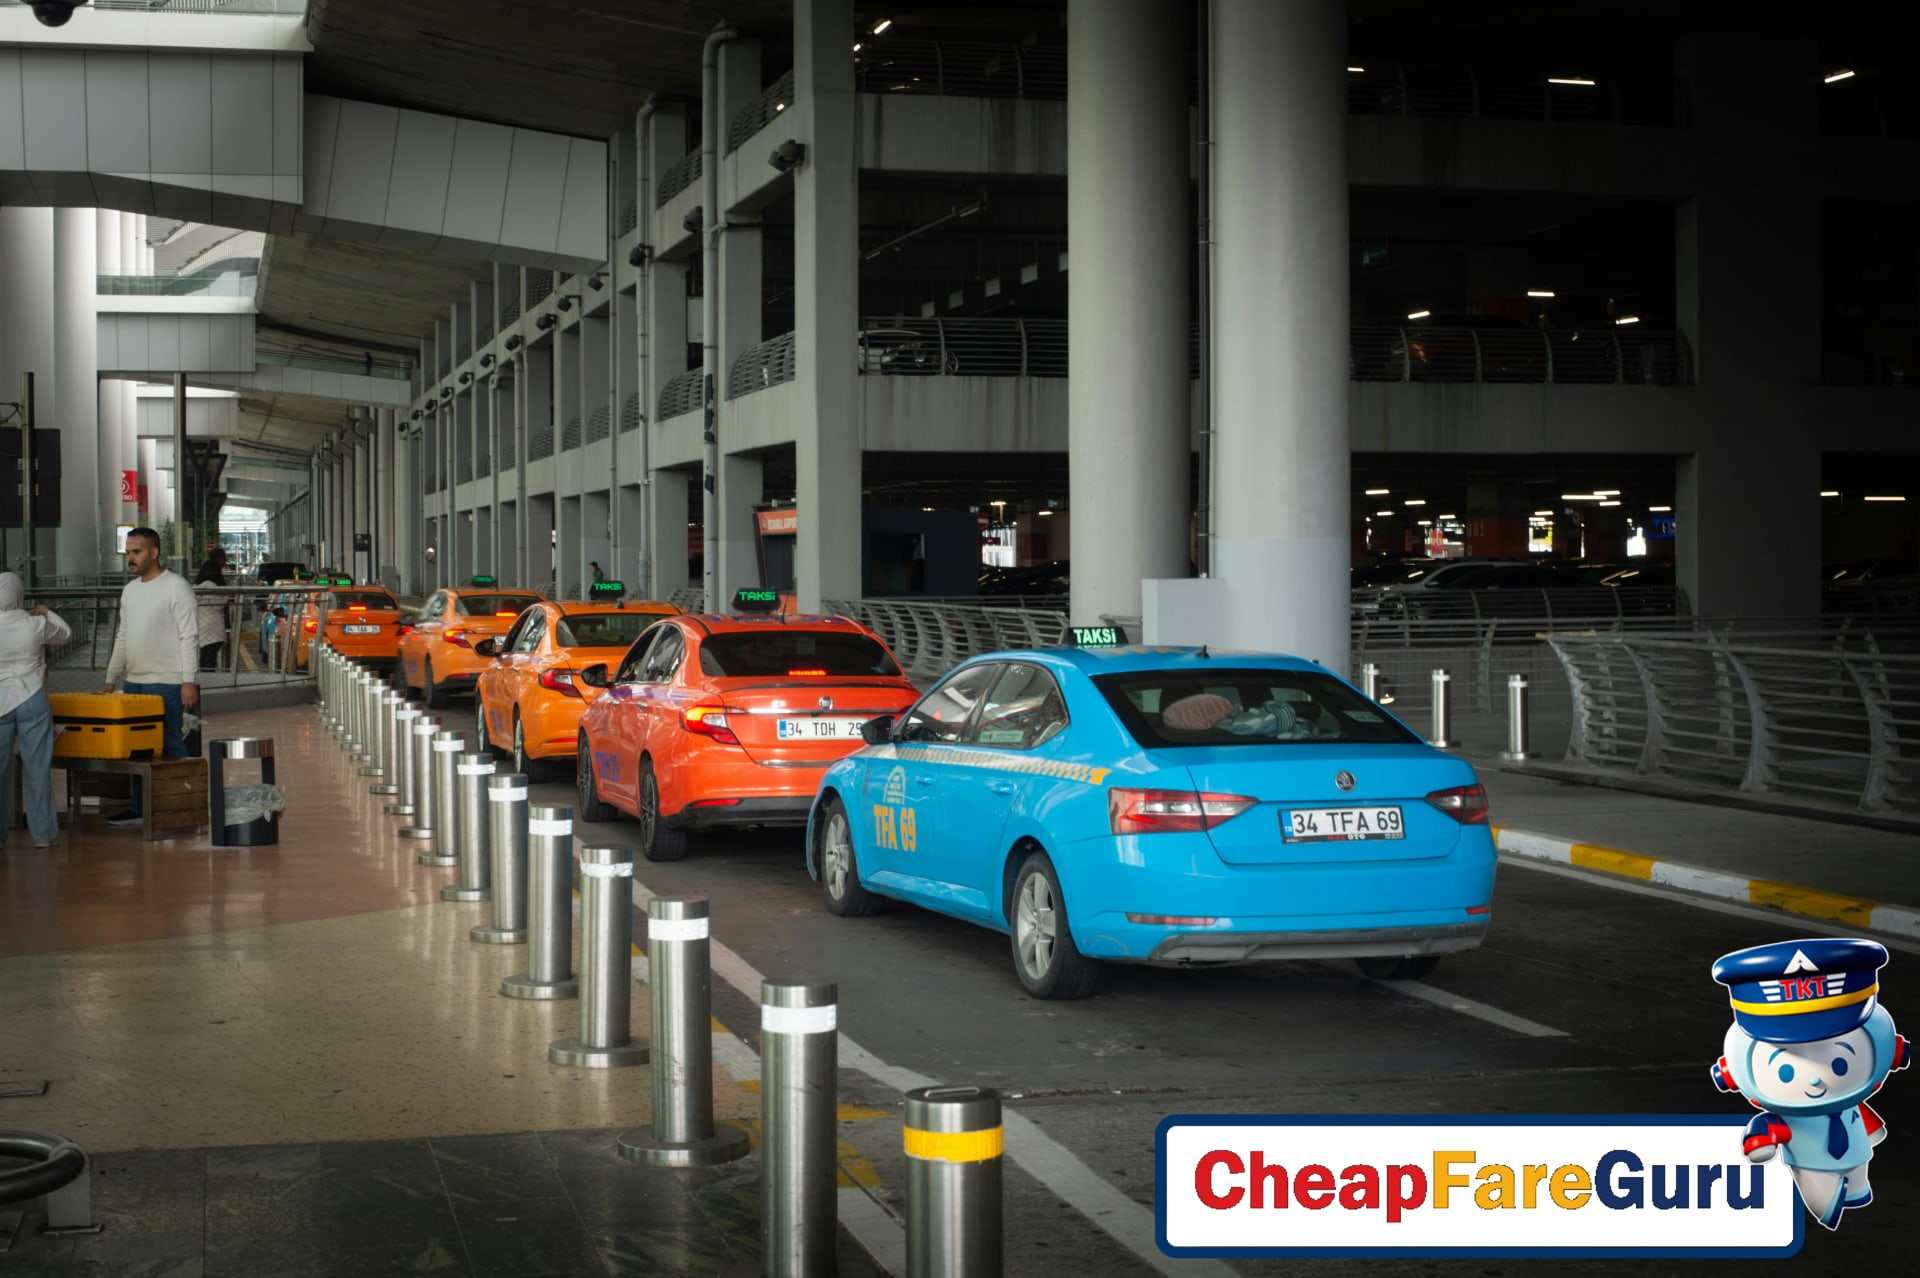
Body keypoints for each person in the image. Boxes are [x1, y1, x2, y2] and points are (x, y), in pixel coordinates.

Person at [102, 528, 199, 828]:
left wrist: (188, 680)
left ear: (154, 552)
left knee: (171, 746)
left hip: (168, 681)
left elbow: (189, 636)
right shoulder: (130, 591)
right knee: (137, 748)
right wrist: (110, 678)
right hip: (134, 682)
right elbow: (123, 635)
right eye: (128, 552)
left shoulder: (176, 587)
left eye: (137, 551)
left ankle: (184, 808)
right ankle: (139, 807)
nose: (130, 558)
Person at [0, 573, 72, 847]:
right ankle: (43, 835)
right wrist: (47, 612)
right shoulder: (35, 624)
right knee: (37, 768)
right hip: (32, 698)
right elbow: (65, 634)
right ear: (20, 595)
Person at [194, 553, 228, 672]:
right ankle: (208, 682)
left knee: (205, 658)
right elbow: (218, 604)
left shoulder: (197, 585)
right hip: (212, 628)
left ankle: (204, 681)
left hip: (201, 626)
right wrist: (228, 597)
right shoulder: (210, 585)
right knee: (209, 660)